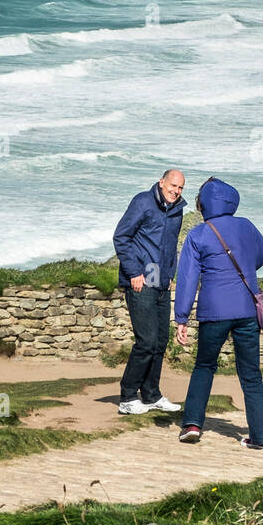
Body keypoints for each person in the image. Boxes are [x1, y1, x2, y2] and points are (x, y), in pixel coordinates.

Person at [173, 176, 263, 449]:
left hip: (214, 312)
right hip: (246, 311)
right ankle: (262, 437)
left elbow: (187, 279)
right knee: (251, 373)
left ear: (204, 204)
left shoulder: (199, 233)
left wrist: (181, 318)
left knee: (204, 367)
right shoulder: (247, 227)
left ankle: (192, 425)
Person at [113, 168, 186, 415]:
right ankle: (127, 397)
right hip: (141, 282)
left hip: (161, 283)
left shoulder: (177, 210)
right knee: (146, 341)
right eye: (173, 185)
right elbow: (121, 237)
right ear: (161, 182)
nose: (176, 191)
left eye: (180, 188)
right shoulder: (142, 202)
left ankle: (151, 395)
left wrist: (170, 275)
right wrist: (134, 272)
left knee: (160, 342)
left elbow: (170, 246)